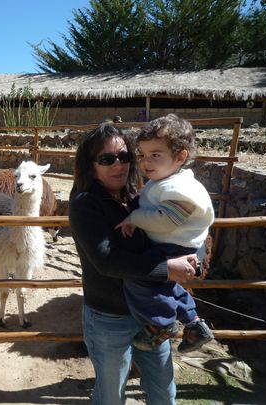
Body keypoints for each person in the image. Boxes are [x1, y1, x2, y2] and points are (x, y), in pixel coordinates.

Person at [69, 123, 198, 405]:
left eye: (125, 157)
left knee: (164, 391)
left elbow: (169, 232)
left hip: (152, 313)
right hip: (109, 316)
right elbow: (107, 261)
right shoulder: (85, 203)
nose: (119, 165)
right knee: (111, 396)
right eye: (106, 159)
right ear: (90, 165)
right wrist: (168, 269)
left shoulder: (138, 196)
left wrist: (189, 250)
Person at [115, 114, 214, 353]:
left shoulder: (180, 188)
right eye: (142, 155)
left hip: (173, 245)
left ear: (180, 157)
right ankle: (193, 323)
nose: (146, 162)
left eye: (155, 155)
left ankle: (160, 324)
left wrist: (134, 218)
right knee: (169, 286)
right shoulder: (164, 180)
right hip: (175, 244)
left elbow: (167, 220)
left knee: (140, 279)